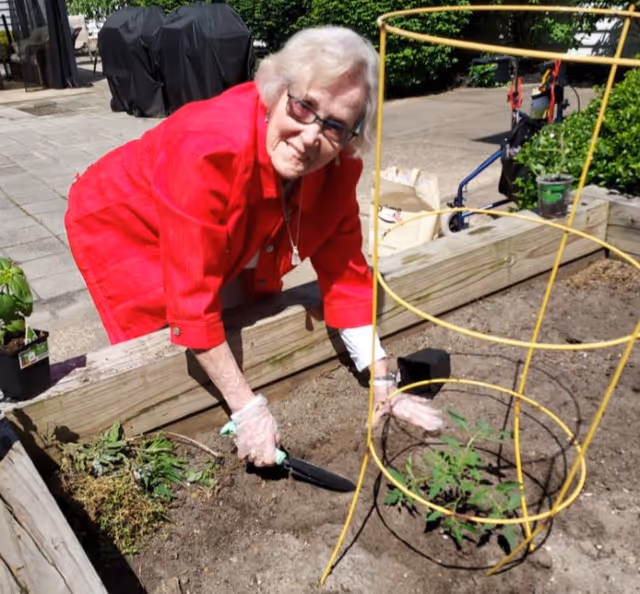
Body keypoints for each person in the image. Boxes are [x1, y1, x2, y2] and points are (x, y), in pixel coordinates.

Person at [65, 26, 442, 468]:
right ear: (276, 90)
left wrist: (382, 379)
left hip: (206, 205)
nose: (309, 137)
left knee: (245, 305)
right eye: (303, 106)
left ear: (352, 135)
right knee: (161, 332)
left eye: (336, 125)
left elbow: (346, 275)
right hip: (125, 217)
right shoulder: (207, 150)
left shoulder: (337, 167)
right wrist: (247, 409)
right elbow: (192, 302)